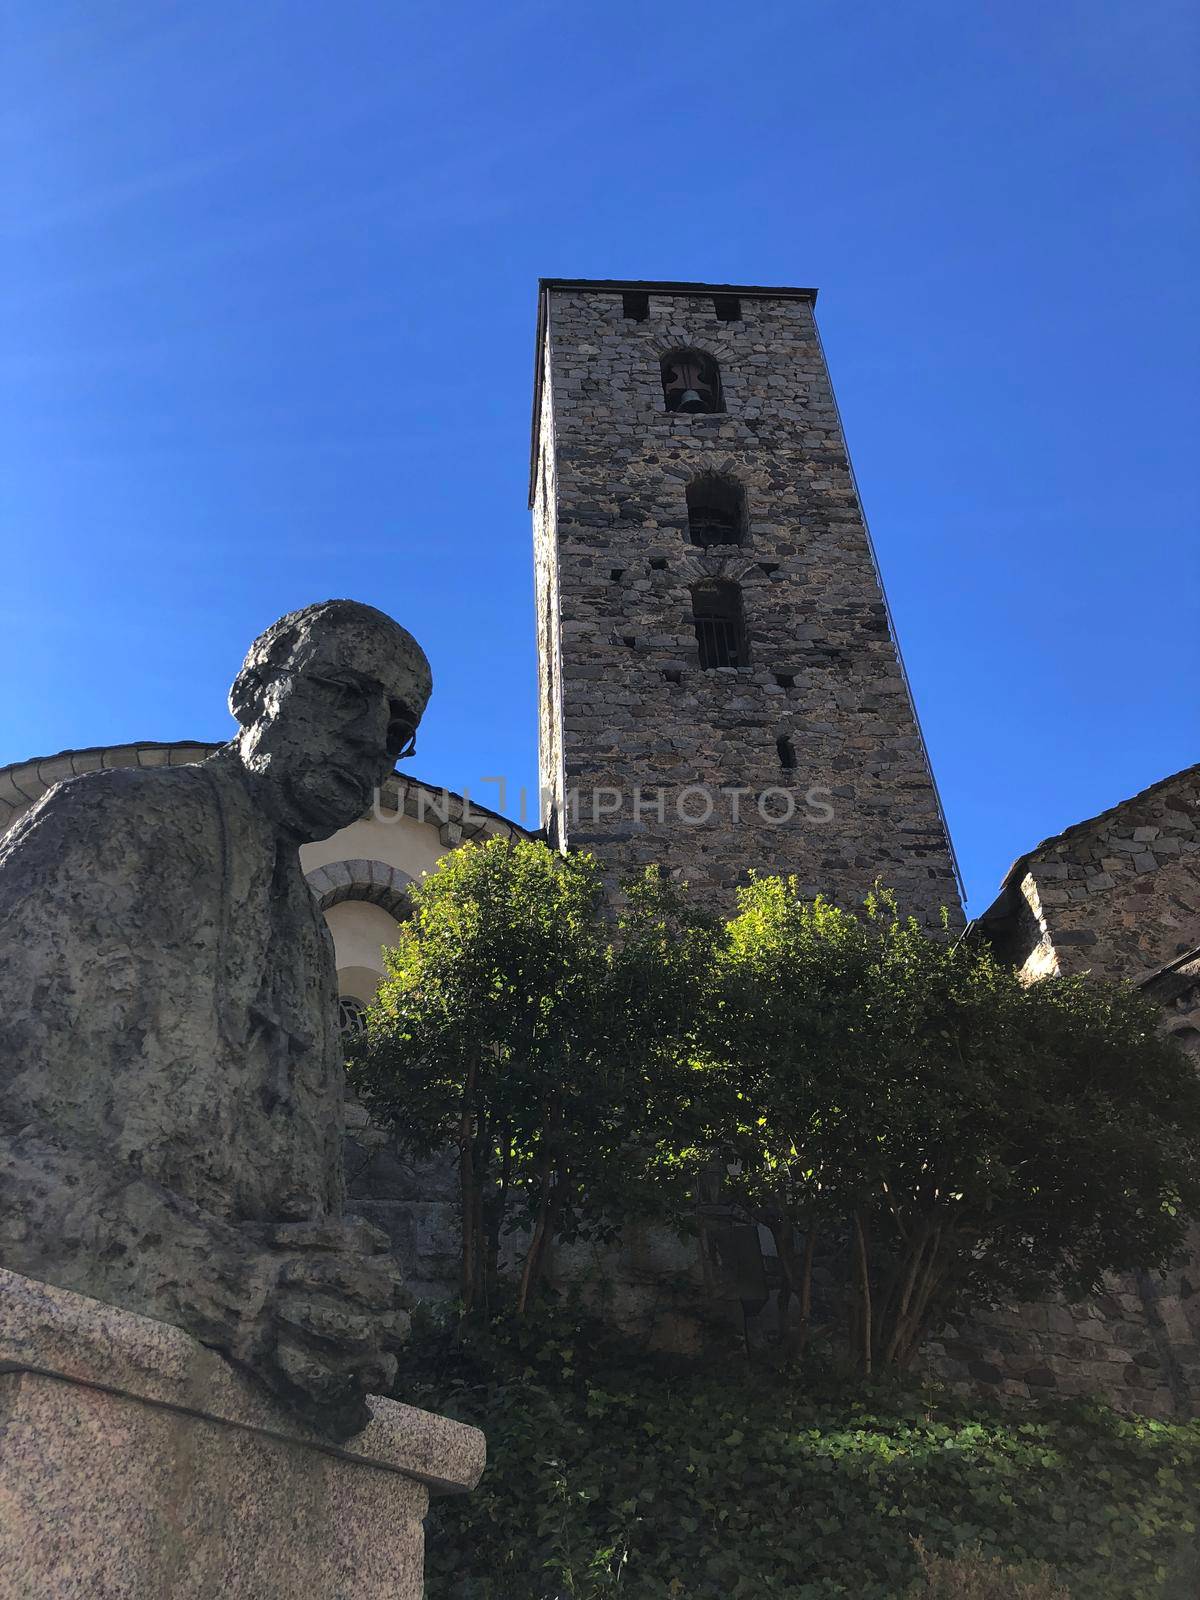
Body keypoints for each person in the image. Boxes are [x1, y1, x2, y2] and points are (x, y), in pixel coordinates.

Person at [0, 599, 431, 1440]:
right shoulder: (111, 823)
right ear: (255, 690)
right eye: (344, 692)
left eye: (396, 728)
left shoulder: (308, 937)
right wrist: (233, 1288)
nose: (368, 741)